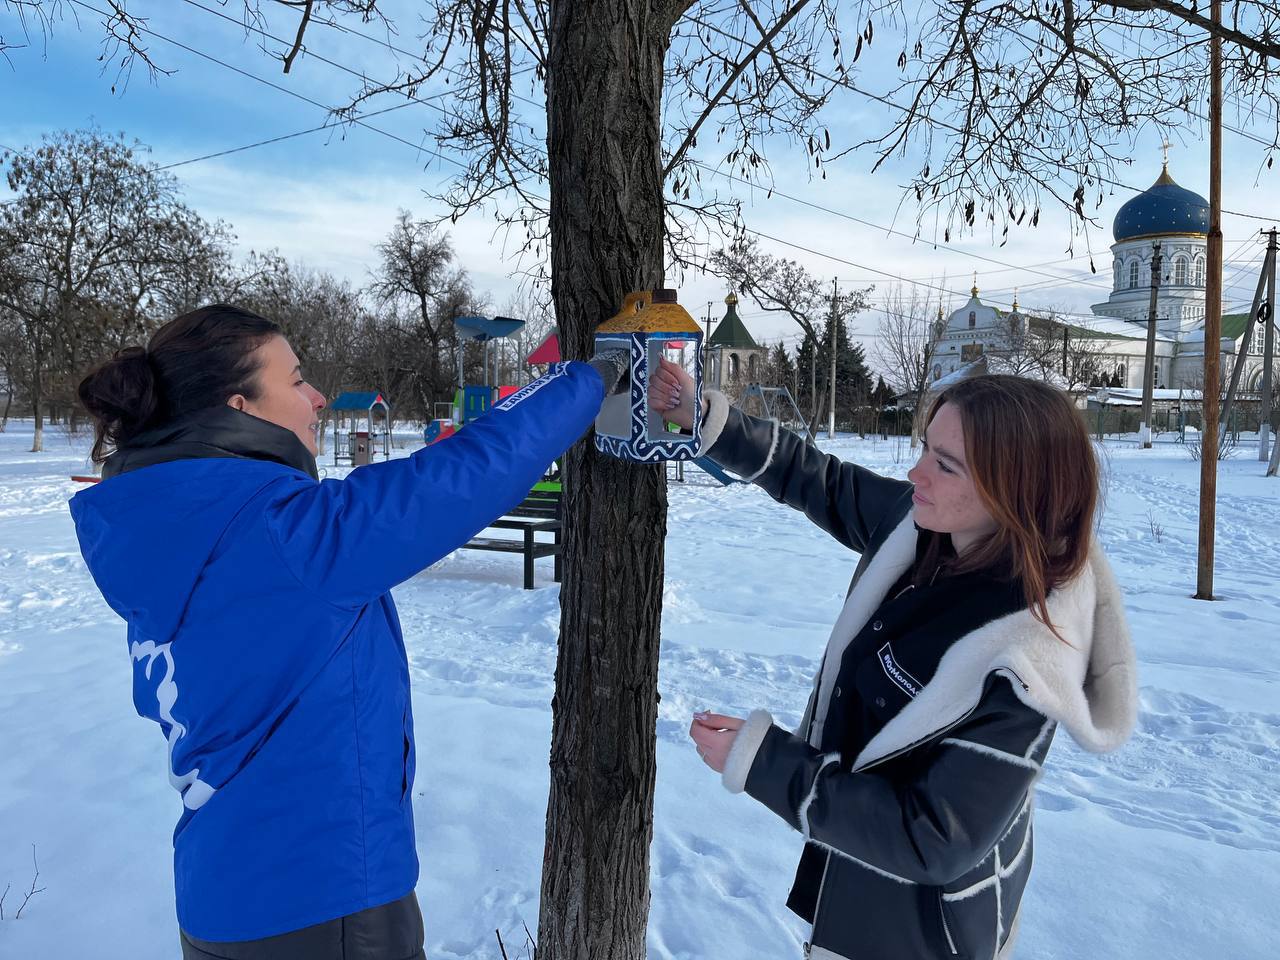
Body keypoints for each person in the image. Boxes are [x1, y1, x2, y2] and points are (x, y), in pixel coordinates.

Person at [70, 304, 631, 960]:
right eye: (296, 379)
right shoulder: (285, 534)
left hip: (218, 900)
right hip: (324, 901)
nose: (317, 397)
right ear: (240, 407)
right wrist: (593, 377)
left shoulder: (166, 530)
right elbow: (465, 474)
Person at [651, 361, 1137, 960]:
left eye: (944, 464)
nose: (916, 474)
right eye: (926, 450)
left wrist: (762, 762)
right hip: (855, 885)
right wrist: (705, 420)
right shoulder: (926, 530)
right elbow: (819, 480)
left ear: (1012, 490)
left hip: (920, 933)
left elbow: (932, 839)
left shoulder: (1027, 663)